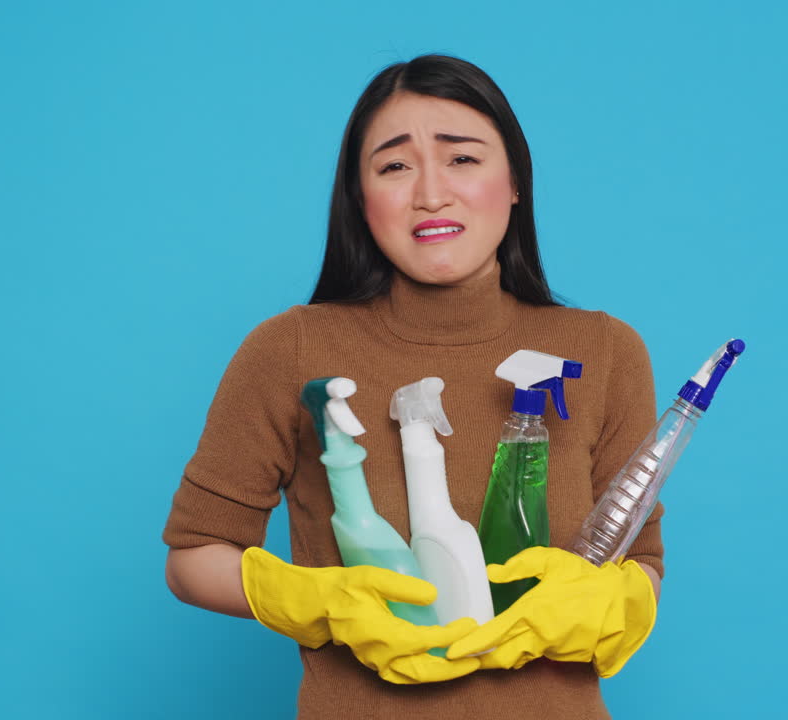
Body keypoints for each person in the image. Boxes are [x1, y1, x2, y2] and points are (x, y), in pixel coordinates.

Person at [162, 54, 664, 719]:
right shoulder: (290, 350)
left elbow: (644, 561)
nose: (431, 193)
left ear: (515, 181)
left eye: (462, 159)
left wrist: (614, 602)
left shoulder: (603, 350)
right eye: (395, 166)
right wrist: (317, 602)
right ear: (360, 198)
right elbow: (192, 557)